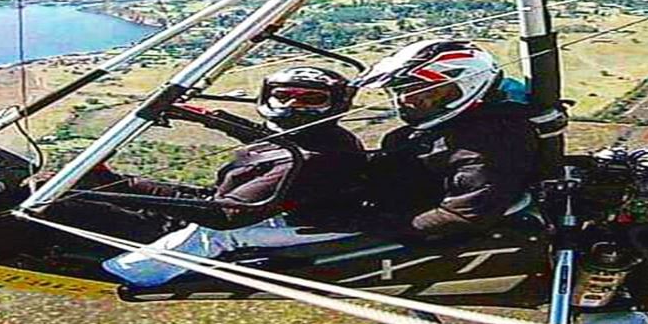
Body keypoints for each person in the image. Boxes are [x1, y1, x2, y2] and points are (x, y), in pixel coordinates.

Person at [70, 66, 368, 231]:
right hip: (219, 205)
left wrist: (128, 189)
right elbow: (261, 138)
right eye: (285, 96)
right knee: (94, 182)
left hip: (210, 228)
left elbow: (225, 217)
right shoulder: (309, 138)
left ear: (335, 104)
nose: (293, 104)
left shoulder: (314, 158)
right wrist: (205, 117)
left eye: (310, 99)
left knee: (63, 202)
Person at [354, 39, 538, 238]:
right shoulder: (448, 129)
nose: (406, 100)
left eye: (424, 91)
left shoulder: (492, 143)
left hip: (437, 239)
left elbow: (463, 216)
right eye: (401, 91)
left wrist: (367, 227)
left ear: (468, 85)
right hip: (398, 206)